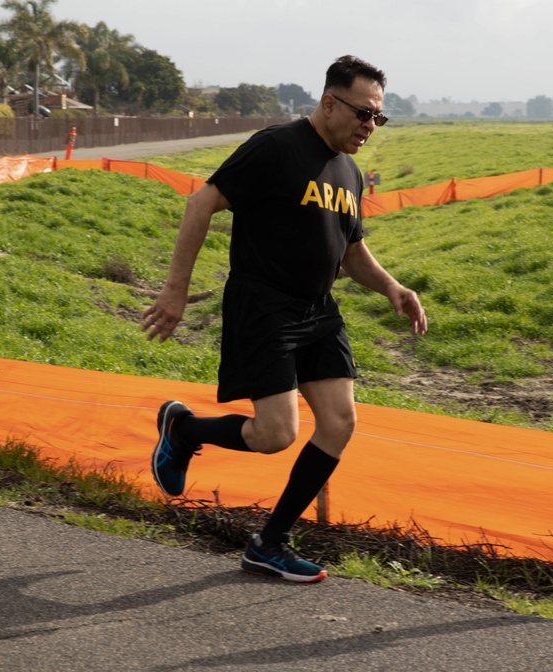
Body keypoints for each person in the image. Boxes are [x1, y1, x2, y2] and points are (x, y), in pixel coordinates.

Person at [140, 55, 427, 583]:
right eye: (363, 114)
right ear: (328, 102)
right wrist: (175, 292)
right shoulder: (276, 146)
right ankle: (182, 430)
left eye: (378, 118)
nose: (369, 126)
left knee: (340, 422)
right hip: (264, 304)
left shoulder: (350, 171)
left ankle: (269, 543)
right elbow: (201, 202)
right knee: (275, 434)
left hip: (318, 309)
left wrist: (392, 286)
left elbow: (350, 251)